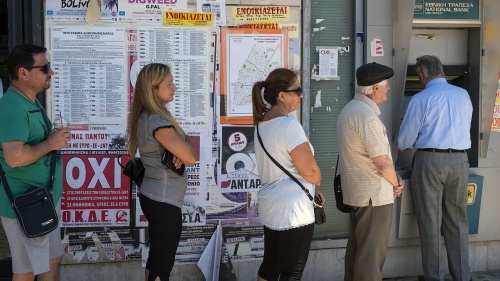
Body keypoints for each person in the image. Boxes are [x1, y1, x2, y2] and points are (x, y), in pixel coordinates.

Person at [398, 55, 472, 281]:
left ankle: (435, 277)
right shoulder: (463, 94)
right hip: (460, 161)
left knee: (430, 221)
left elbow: (404, 141)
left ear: (421, 74)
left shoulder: (420, 99)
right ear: (440, 71)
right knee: (457, 221)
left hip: (430, 161)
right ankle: (462, 276)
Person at [0, 44, 71, 280]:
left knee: (52, 260)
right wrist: (51, 144)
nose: (51, 72)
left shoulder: (30, 101)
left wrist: (53, 141)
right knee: (27, 270)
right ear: (23, 72)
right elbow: (15, 157)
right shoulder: (12, 107)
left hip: (43, 200)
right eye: (45, 68)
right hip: (25, 204)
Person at [126, 63, 197, 281]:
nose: (174, 87)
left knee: (157, 259)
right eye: (169, 84)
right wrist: (183, 146)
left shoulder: (153, 116)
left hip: (156, 196)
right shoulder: (157, 121)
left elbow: (187, 148)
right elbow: (191, 157)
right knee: (162, 264)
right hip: (163, 201)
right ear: (153, 90)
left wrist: (183, 144)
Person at [252, 68, 324, 281]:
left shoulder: (262, 123)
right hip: (293, 210)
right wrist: (317, 181)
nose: (301, 95)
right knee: (291, 272)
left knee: (271, 265)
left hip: (271, 205)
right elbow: (310, 171)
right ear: (281, 95)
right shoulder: (289, 125)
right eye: (297, 90)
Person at [337, 62, 404, 281]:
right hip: (374, 198)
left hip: (359, 195)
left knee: (357, 255)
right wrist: (396, 183)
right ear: (375, 88)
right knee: (371, 260)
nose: (389, 89)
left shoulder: (350, 109)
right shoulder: (366, 117)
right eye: (387, 86)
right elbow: (383, 163)